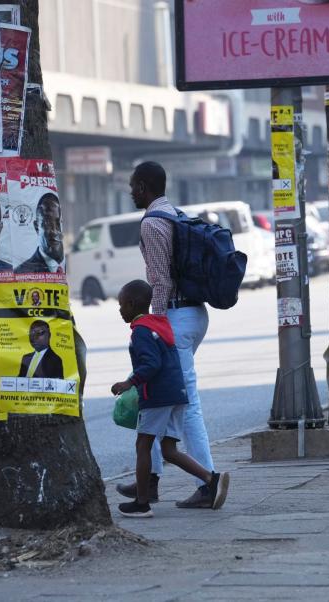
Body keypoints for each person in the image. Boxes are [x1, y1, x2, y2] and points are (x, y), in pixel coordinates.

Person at [115, 161, 216, 509]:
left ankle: (209, 482)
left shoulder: (153, 223)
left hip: (175, 316)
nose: (130, 192)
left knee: (186, 406)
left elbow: (161, 281)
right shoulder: (174, 213)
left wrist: (151, 324)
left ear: (143, 187)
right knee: (160, 395)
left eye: (132, 186)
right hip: (193, 312)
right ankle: (151, 481)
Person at [111, 280, 230, 518]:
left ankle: (142, 503)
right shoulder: (161, 325)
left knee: (143, 444)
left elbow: (151, 364)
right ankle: (210, 478)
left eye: (122, 305)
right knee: (169, 450)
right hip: (177, 394)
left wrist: (129, 383)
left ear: (133, 305)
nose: (120, 310)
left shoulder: (141, 332)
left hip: (158, 397)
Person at [16, 194, 65, 273]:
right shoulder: (22, 272)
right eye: (47, 223)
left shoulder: (66, 264)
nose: (54, 231)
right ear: (36, 227)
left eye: (58, 223)